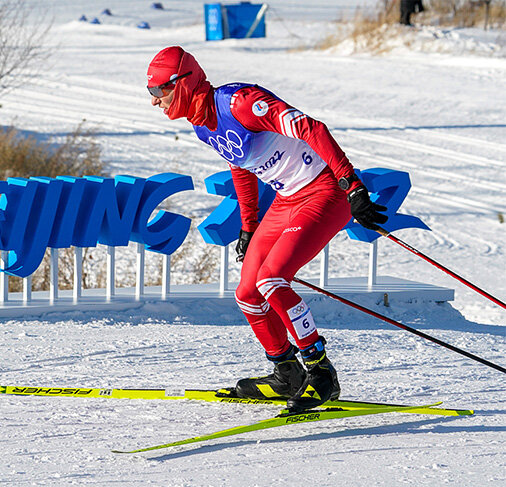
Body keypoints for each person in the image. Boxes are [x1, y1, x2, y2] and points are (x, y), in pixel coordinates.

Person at [146, 46, 388, 411]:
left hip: (323, 190)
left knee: (271, 279)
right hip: (286, 200)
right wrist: (248, 226)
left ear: (182, 83)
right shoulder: (201, 125)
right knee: (247, 292)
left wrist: (351, 186)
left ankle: (321, 373)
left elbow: (311, 128)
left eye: (158, 91)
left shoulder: (240, 103)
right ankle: (287, 372)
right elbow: (240, 165)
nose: (155, 102)